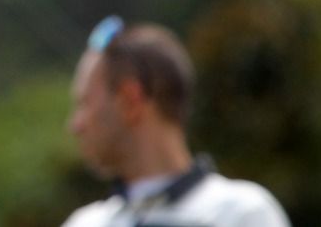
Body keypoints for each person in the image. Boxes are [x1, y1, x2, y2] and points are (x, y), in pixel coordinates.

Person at [64, 16, 290, 226]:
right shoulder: (85, 222)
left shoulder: (243, 214)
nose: (75, 125)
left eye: (84, 103)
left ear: (130, 101)